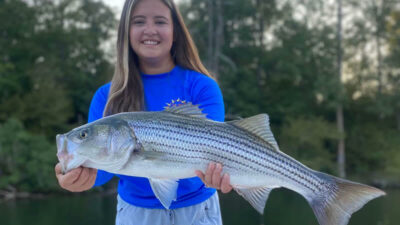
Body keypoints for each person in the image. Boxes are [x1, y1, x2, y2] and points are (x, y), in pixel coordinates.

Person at [54, 0, 233, 224]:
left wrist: (218, 175)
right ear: (125, 32)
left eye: (160, 21)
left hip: (199, 213)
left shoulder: (203, 86)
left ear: (175, 31)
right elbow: (102, 171)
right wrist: (79, 176)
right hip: (136, 215)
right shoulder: (106, 96)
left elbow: (216, 154)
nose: (150, 30)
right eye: (139, 22)